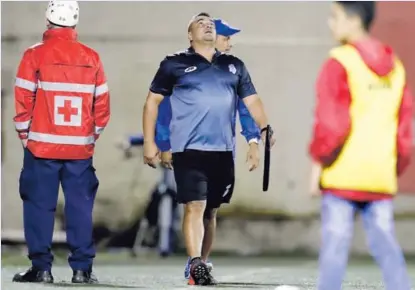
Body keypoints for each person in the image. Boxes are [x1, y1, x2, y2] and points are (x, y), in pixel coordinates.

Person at [142, 12, 274, 286]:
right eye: (200, 23)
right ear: (190, 34)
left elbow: (252, 103)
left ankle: (202, 264)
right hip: (189, 150)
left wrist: (261, 132)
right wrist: (154, 142)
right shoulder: (174, 64)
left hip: (222, 152)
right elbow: (154, 103)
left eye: (210, 24)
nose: (207, 26)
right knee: (195, 205)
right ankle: (194, 263)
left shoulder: (235, 66)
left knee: (211, 210)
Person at [309, 2, 413, 290]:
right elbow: (405, 131)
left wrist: (319, 163)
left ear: (354, 20)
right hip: (380, 175)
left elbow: (332, 124)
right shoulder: (396, 68)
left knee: (334, 249)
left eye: (335, 17)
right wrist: (394, 167)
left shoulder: (339, 62)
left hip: (343, 173)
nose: (331, 24)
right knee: (386, 246)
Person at [12, 0, 110, 284]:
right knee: (80, 206)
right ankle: (82, 271)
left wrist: (26, 138)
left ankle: (41, 269)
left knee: (39, 206)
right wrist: (89, 139)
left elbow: (22, 102)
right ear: (75, 22)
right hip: (79, 149)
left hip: (40, 147)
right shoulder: (92, 57)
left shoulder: (34, 55)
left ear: (48, 19)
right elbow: (102, 107)